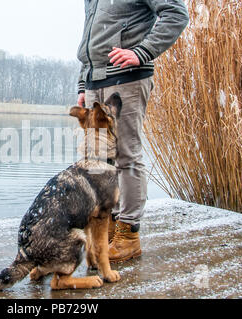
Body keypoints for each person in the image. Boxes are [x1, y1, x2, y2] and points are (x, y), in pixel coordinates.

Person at [77, 0, 189, 263]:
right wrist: (84, 83)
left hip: (128, 78)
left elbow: (176, 14)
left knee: (126, 156)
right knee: (100, 161)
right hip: (96, 81)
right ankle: (111, 226)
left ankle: (129, 235)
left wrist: (143, 51)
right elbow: (89, 41)